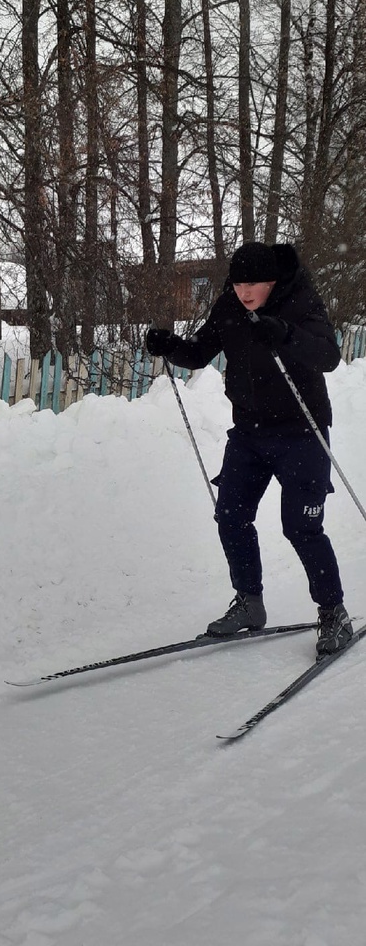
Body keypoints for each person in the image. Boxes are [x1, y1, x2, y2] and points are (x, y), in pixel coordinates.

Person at [146, 241, 352, 657]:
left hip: (301, 432)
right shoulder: (229, 306)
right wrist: (170, 345)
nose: (244, 292)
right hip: (249, 433)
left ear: (272, 281)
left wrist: (286, 333)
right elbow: (200, 352)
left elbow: (328, 356)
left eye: (252, 284)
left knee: (301, 527)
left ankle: (334, 612)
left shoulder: (300, 302)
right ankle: (249, 602)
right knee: (231, 516)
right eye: (238, 283)